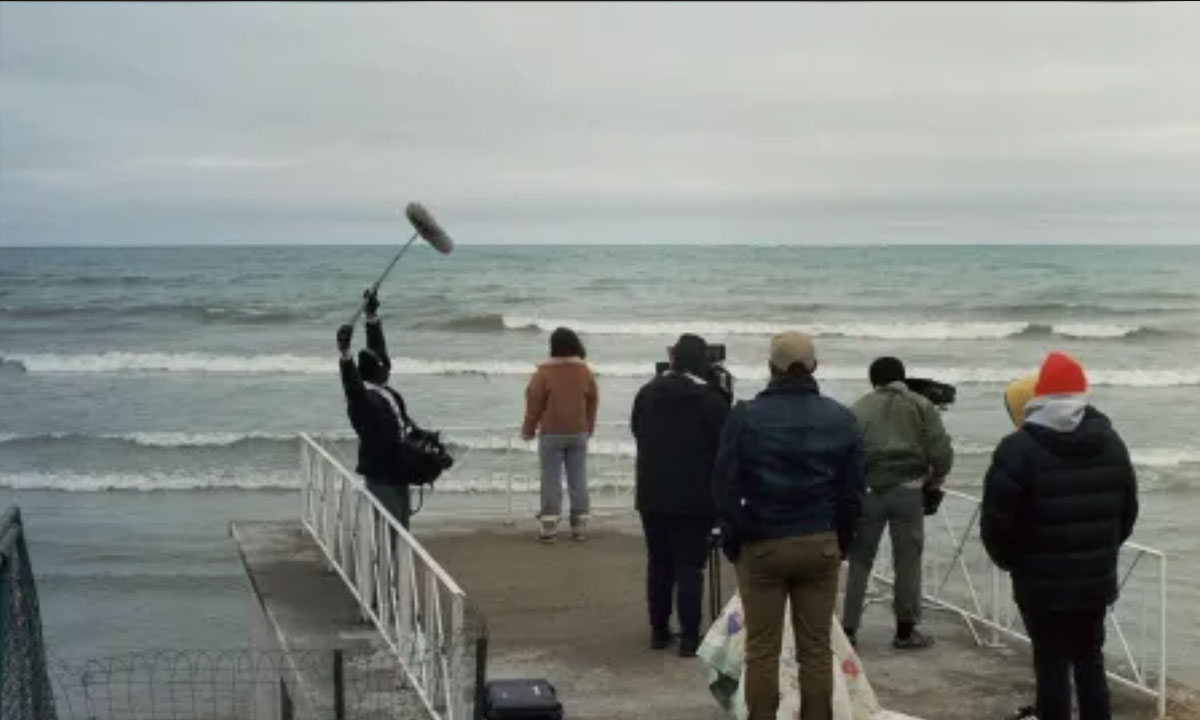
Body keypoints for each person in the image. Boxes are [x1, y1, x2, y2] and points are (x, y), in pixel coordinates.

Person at [713, 332, 865, 720]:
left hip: (763, 543)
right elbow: (852, 493)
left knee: (761, 650)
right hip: (820, 541)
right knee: (816, 649)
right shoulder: (841, 418)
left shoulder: (745, 416)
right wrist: (840, 541)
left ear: (771, 366)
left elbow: (725, 486)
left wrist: (739, 536)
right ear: (814, 366)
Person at [982, 352, 1138, 720]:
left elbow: (997, 524)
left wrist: (1014, 562)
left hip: (1040, 583)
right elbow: (1127, 512)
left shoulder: (1018, 448)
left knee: (1050, 665)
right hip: (1094, 580)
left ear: (1041, 395)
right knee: (1090, 660)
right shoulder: (1112, 443)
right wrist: (1100, 551)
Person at [841, 357, 954, 650]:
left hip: (870, 491)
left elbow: (847, 455)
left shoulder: (859, 408)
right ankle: (905, 631)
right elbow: (941, 449)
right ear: (902, 378)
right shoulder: (921, 405)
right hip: (909, 490)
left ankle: (849, 629)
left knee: (860, 562)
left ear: (873, 380)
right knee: (908, 562)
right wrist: (935, 479)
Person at [631, 334, 731, 657]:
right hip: (694, 494)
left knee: (659, 562)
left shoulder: (647, 393)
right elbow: (725, 443)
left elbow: (637, 431)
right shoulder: (709, 398)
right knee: (690, 566)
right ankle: (690, 637)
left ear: (673, 358)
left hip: (653, 491)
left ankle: (658, 631)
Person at [336, 290, 417, 528]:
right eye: (384, 367)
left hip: (399, 472)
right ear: (375, 373)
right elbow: (352, 386)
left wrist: (372, 317)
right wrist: (345, 355)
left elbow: (379, 352)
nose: (388, 369)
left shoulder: (387, 393)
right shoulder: (365, 401)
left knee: (402, 528)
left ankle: (399, 562)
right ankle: (386, 564)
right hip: (382, 476)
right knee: (388, 531)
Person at [521, 326, 598, 542]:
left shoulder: (543, 372)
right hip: (579, 431)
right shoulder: (585, 371)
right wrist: (589, 426)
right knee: (578, 477)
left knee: (550, 479)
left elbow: (534, 402)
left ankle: (549, 526)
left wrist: (528, 428)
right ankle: (579, 525)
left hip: (552, 432)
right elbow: (593, 401)